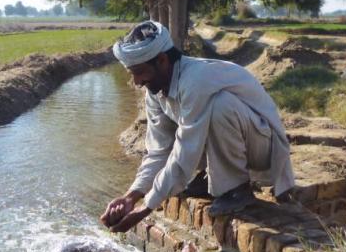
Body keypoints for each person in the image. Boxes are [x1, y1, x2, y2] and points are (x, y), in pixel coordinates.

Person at [100, 21, 295, 233]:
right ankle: (212, 178)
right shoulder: (154, 91)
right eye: (132, 73)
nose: (136, 81)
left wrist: (146, 208)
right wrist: (131, 197)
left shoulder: (195, 79)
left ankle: (236, 187)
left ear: (162, 61)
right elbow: (158, 151)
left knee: (220, 105)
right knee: (191, 124)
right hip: (236, 144)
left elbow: (186, 148)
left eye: (139, 72)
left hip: (263, 148)